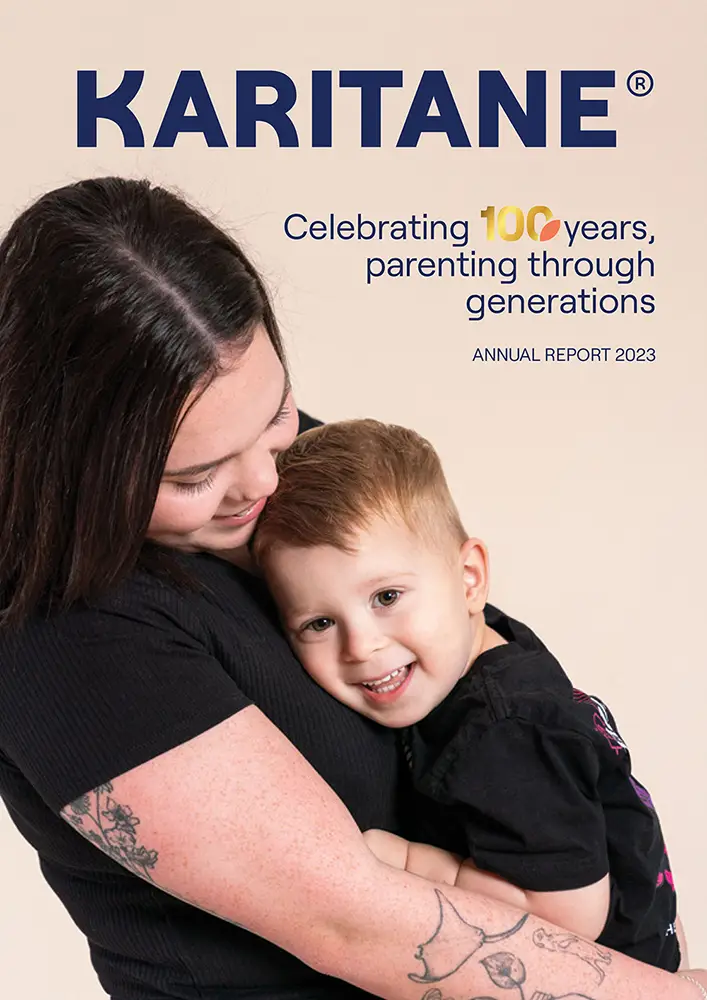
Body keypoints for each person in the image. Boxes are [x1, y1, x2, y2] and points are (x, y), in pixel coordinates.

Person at [0, 177, 703, 1000]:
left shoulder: (290, 476)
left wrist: (646, 949)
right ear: (73, 461)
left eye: (276, 414)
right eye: (194, 475)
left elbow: (519, 707)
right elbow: (354, 925)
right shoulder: (60, 632)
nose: (262, 480)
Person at [253, 419, 691, 971]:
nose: (362, 645)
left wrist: (412, 862)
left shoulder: (503, 729)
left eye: (387, 596)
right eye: (318, 622)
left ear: (468, 579)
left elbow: (571, 917)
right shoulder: (485, 644)